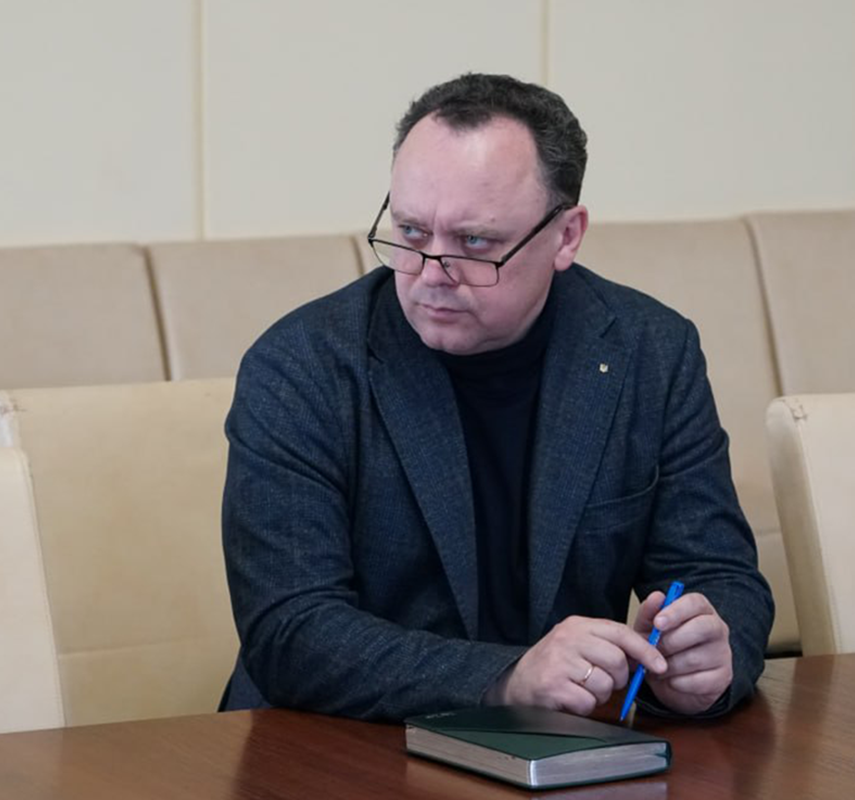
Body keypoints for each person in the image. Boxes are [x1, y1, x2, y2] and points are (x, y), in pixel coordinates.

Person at [220, 73, 773, 721]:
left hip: (564, 747)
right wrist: (505, 678)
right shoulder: (299, 366)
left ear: (566, 236)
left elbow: (719, 575)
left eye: (474, 243)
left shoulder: (651, 353)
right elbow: (290, 629)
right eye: (410, 232)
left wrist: (705, 657)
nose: (430, 273)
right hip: (331, 745)